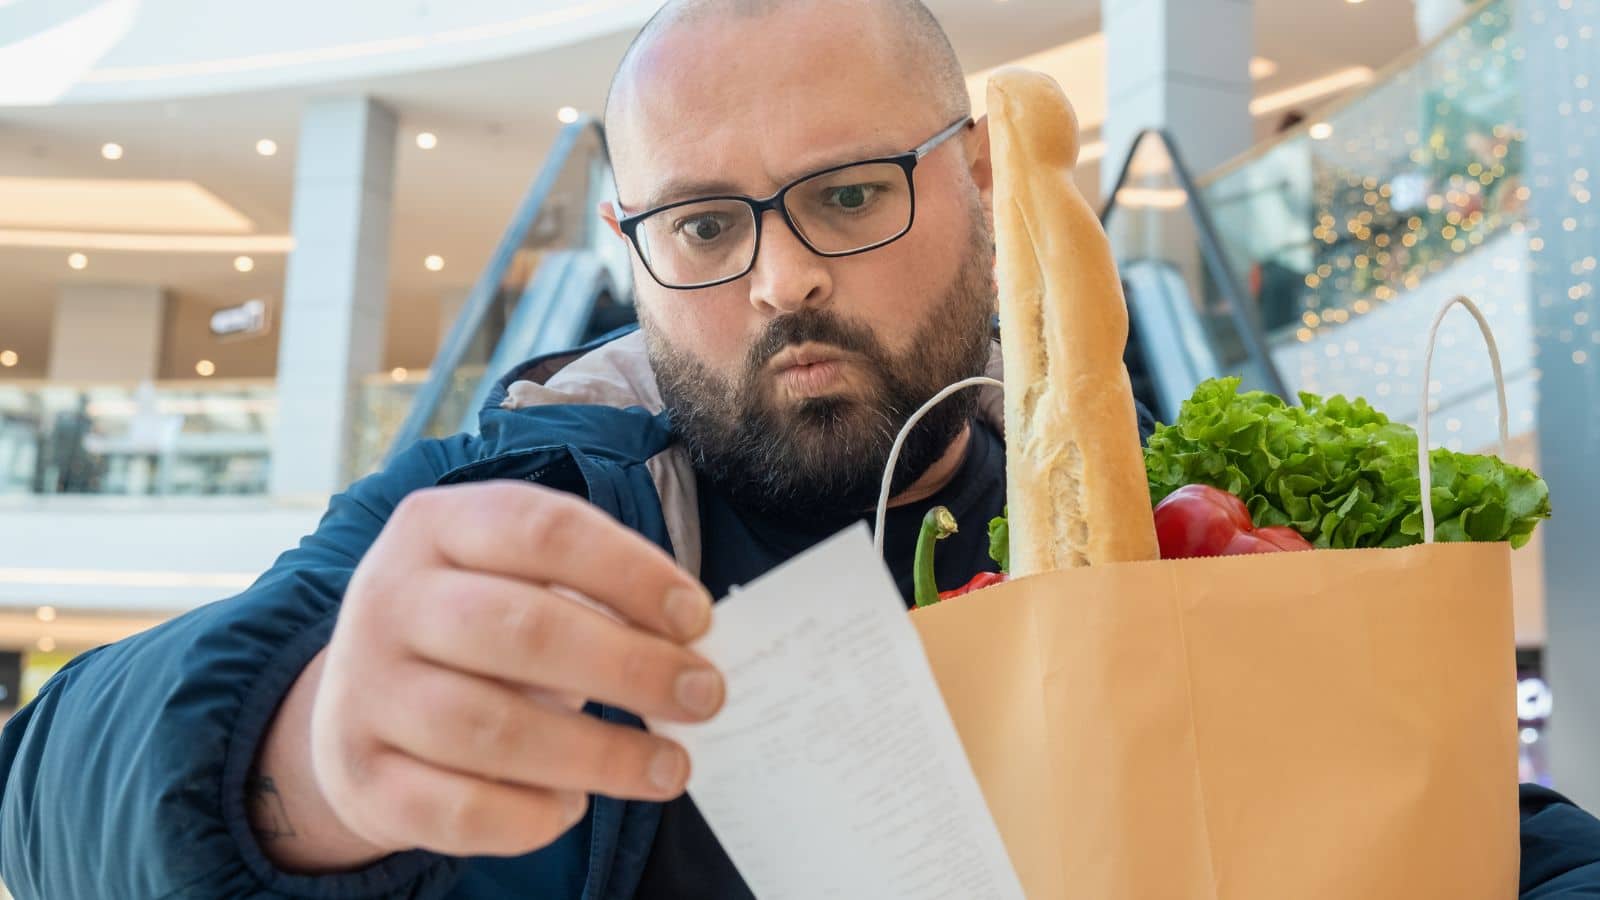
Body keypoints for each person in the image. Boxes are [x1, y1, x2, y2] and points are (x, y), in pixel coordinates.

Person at [0, 2, 1596, 898]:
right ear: (630, 246)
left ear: (978, 180)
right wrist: (295, 763)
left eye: (847, 195)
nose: (780, 282)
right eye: (705, 224)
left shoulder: (1181, 541)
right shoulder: (507, 510)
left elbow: (1486, 843)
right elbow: (44, 789)